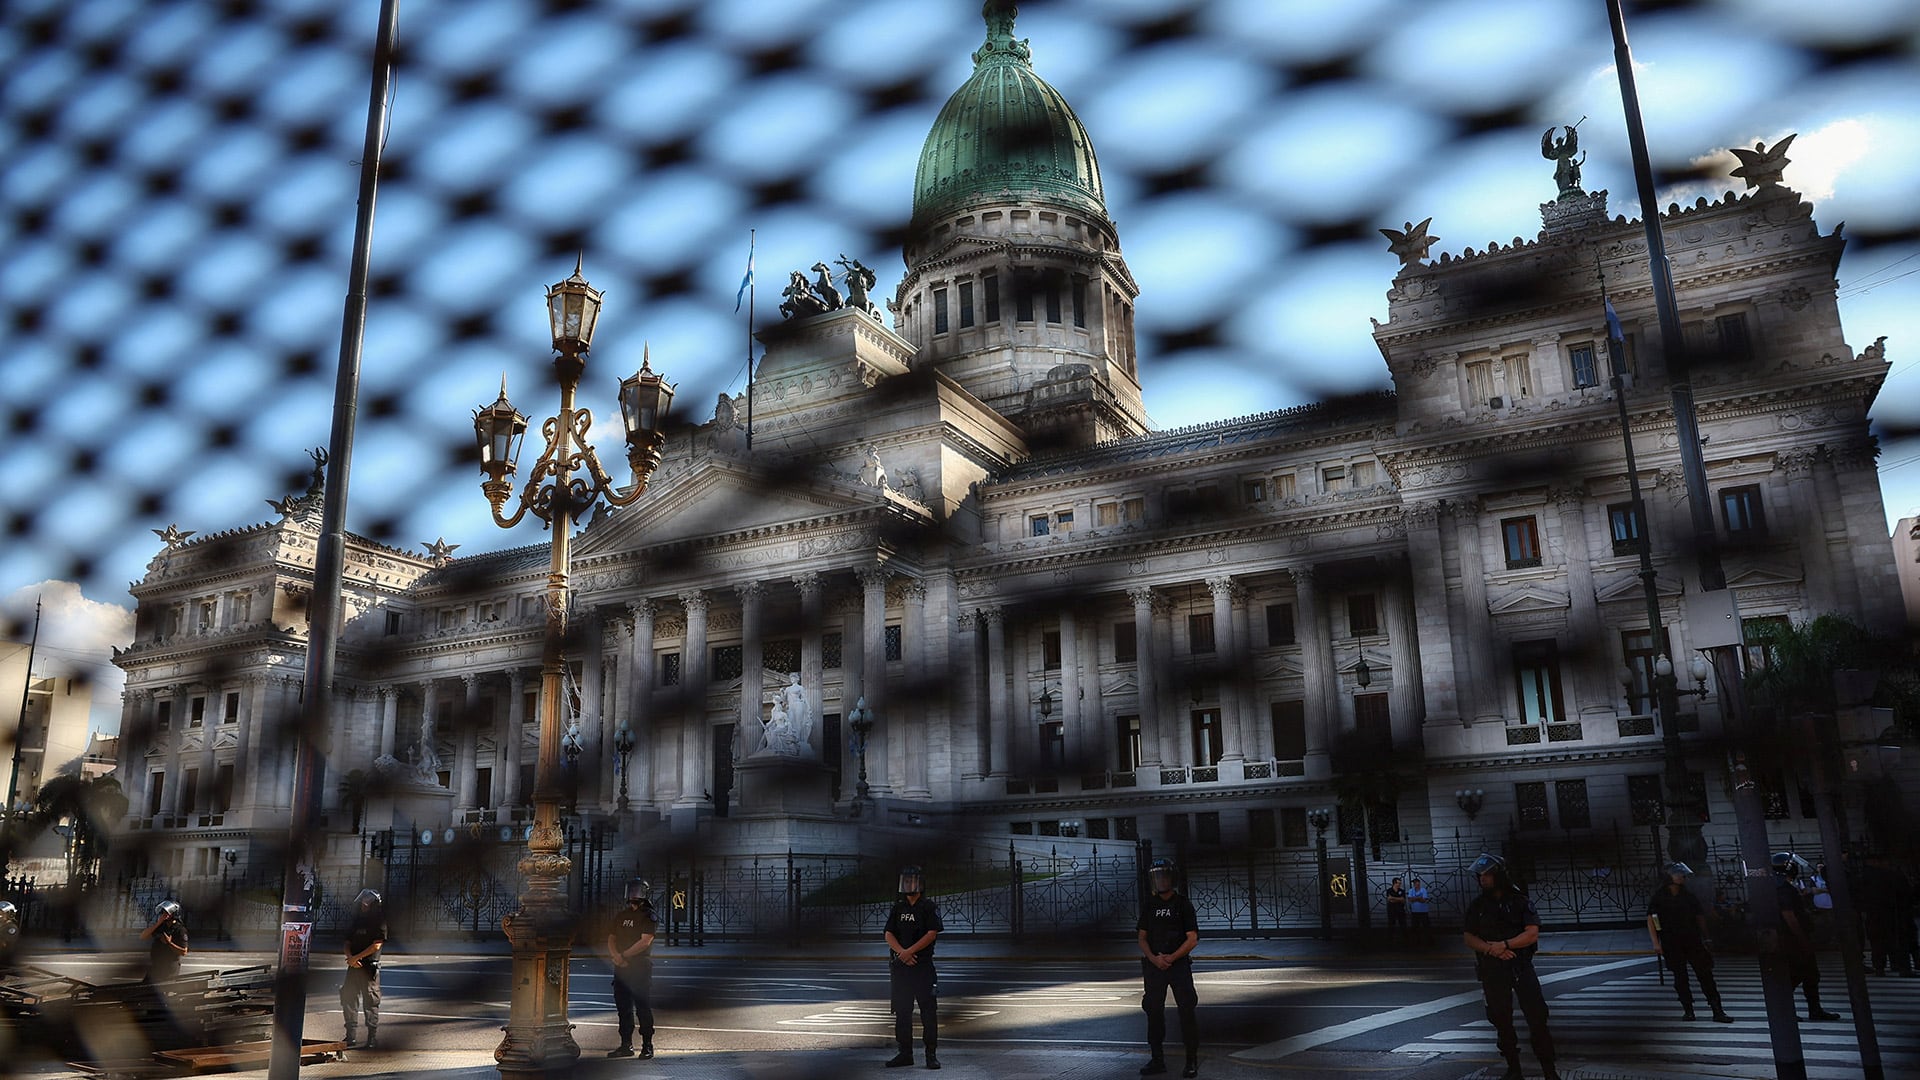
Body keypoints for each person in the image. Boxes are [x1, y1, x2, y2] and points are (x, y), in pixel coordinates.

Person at [1462, 854, 1558, 1080]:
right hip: (1492, 969)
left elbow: (1532, 933)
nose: (1482, 879)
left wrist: (1505, 945)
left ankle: (1549, 1071)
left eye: (1487, 875)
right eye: (1480, 875)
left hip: (1521, 967)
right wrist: (1491, 949)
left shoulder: (1519, 901)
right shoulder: (1478, 906)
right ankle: (1514, 1069)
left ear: (1499, 876)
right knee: (1500, 1019)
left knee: (1537, 1018)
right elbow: (1468, 936)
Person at [1136, 857, 1200, 1078]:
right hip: (1155, 967)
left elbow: (1192, 939)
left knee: (1186, 1010)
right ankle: (1157, 1059)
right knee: (1153, 1012)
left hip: (1178, 965)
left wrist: (1171, 957)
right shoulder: (1149, 905)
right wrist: (1155, 959)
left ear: (1172, 878)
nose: (1161, 880)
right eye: (1157, 876)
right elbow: (1142, 938)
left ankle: (1191, 1060)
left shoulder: (1183, 904)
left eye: (1164, 876)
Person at [1645, 863, 1732, 1023]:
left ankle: (1717, 1010)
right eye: (1677, 874)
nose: (1682, 877)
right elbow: (1652, 919)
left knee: (1705, 974)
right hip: (1672, 942)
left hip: (1692, 940)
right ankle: (1688, 1010)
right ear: (1668, 877)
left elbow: (1699, 917)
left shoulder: (1688, 896)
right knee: (1680, 978)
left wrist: (1707, 937)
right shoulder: (1659, 898)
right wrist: (1656, 943)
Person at [884, 865, 942, 1069]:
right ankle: (904, 1053)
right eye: (906, 881)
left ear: (921, 883)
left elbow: (931, 933)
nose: (909, 884)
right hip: (902, 968)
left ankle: (930, 1054)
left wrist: (909, 952)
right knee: (902, 1011)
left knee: (928, 1011)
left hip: (922, 967)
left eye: (912, 880)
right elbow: (888, 934)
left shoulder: (928, 907)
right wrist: (902, 953)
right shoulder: (898, 908)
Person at [1773, 852, 1841, 1020]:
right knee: (1797, 974)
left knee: (1810, 974)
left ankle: (1813, 1009)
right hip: (1793, 939)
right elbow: (1788, 914)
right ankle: (1785, 1010)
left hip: (1794, 938)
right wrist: (1801, 938)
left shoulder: (1785, 886)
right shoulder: (1783, 888)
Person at [607, 879, 659, 1059]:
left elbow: (645, 941)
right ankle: (625, 1045)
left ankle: (647, 1045)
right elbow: (611, 938)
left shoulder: (648, 915)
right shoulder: (621, 915)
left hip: (639, 967)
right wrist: (615, 956)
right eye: (631, 890)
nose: (633, 895)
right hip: (621, 967)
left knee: (642, 1006)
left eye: (637, 891)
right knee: (623, 1008)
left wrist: (624, 955)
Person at [341, 889, 386, 1049]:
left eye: (367, 902)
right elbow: (347, 941)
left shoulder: (378, 921)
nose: (363, 904)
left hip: (369, 967)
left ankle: (372, 1038)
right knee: (348, 998)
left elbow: (377, 944)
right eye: (363, 901)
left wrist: (357, 957)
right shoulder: (357, 920)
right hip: (354, 966)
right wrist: (350, 958)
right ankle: (350, 1036)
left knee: (371, 1002)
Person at [141, 900, 189, 983]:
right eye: (163, 912)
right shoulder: (161, 926)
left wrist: (169, 943)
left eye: (167, 912)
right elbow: (143, 936)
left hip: (169, 969)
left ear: (174, 914)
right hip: (156, 966)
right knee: (141, 990)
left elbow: (183, 952)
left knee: (160, 992)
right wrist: (158, 923)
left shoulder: (180, 930)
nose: (164, 914)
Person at [1408, 877, 1432, 946]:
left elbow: (1424, 900)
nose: (1416, 884)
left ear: (1419, 883)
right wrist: (1419, 898)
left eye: (1416, 883)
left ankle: (1428, 940)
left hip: (1423, 911)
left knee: (1426, 926)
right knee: (1415, 927)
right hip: (1414, 912)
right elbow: (1410, 899)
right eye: (1414, 883)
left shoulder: (1423, 890)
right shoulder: (1411, 890)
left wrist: (1415, 899)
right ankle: (1416, 941)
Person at [1385, 877, 1409, 945]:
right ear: (1394, 883)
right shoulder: (1389, 890)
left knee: (1403, 924)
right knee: (1391, 924)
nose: (1399, 884)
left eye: (1400, 883)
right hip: (1391, 910)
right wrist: (1398, 899)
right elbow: (1389, 899)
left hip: (1400, 910)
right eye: (1398, 883)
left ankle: (1405, 939)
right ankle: (1390, 939)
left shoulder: (1402, 890)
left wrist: (1394, 898)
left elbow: (1403, 900)